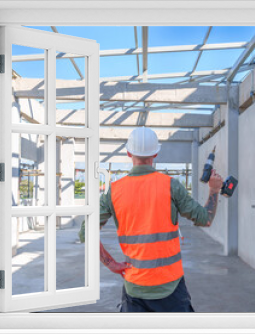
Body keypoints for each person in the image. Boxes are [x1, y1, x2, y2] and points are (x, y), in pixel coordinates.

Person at [79, 126, 224, 312]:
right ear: (155, 154)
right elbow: (206, 219)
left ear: (129, 152)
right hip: (171, 287)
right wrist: (214, 189)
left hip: (135, 287)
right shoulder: (171, 186)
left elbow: (86, 232)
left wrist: (111, 263)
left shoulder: (113, 191)